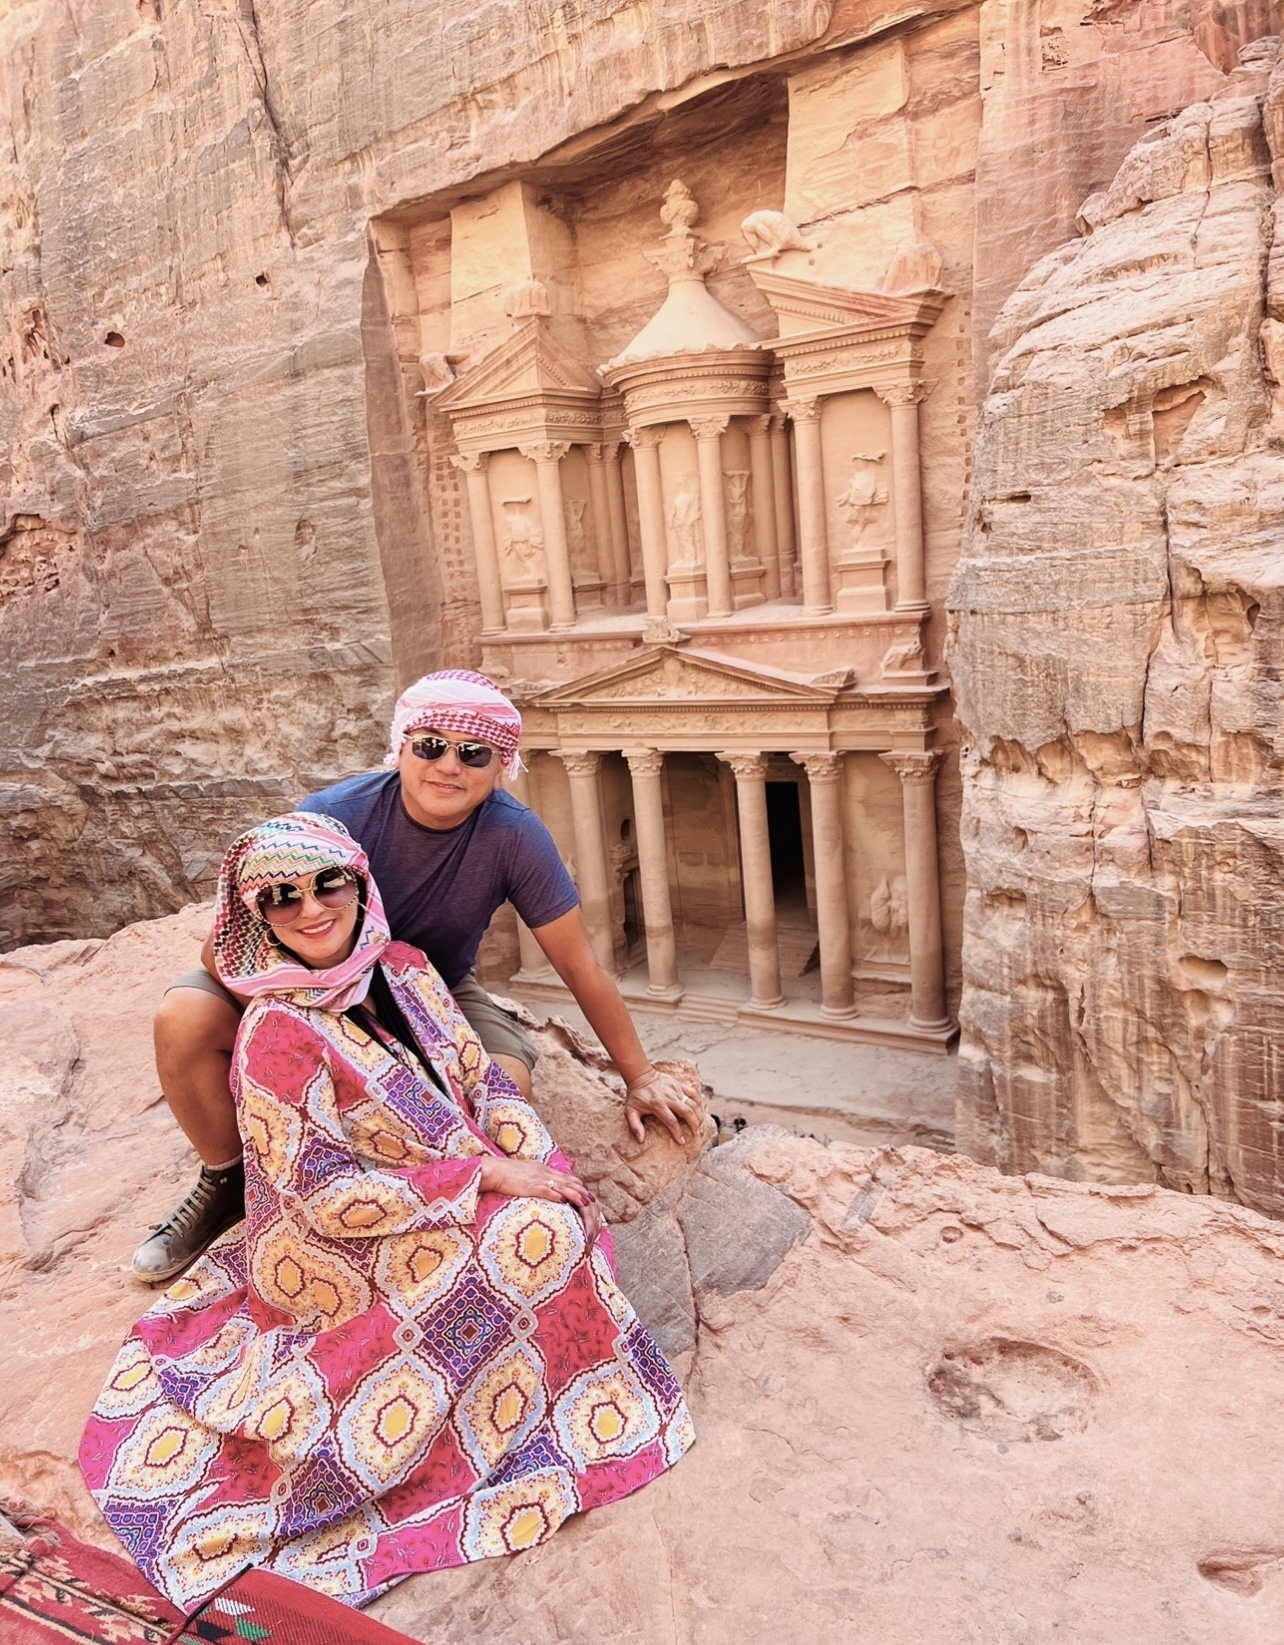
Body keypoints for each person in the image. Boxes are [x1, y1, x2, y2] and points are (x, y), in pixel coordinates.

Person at [82, 813, 695, 1612]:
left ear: (360, 883)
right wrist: (484, 1179)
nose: (310, 909)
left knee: (553, 1216)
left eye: (327, 883)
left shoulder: (404, 970)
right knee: (534, 1237)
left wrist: (528, 1157)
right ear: (257, 915)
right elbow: (319, 1194)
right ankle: (438, 1442)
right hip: (340, 1242)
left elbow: (484, 1084)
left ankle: (503, 1406)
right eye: (281, 898)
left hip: (444, 1188)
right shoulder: (275, 1029)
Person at [136, 670, 701, 1284]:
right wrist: (304, 1007)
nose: (449, 767)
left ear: (501, 765)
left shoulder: (513, 836)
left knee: (505, 1087)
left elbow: (578, 964)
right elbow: (232, 947)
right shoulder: (336, 814)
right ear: (400, 748)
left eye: (474, 753)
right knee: (183, 1017)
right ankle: (227, 1178)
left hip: (430, 992)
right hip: (301, 982)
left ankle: (442, 1230)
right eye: (430, 745)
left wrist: (639, 1075)